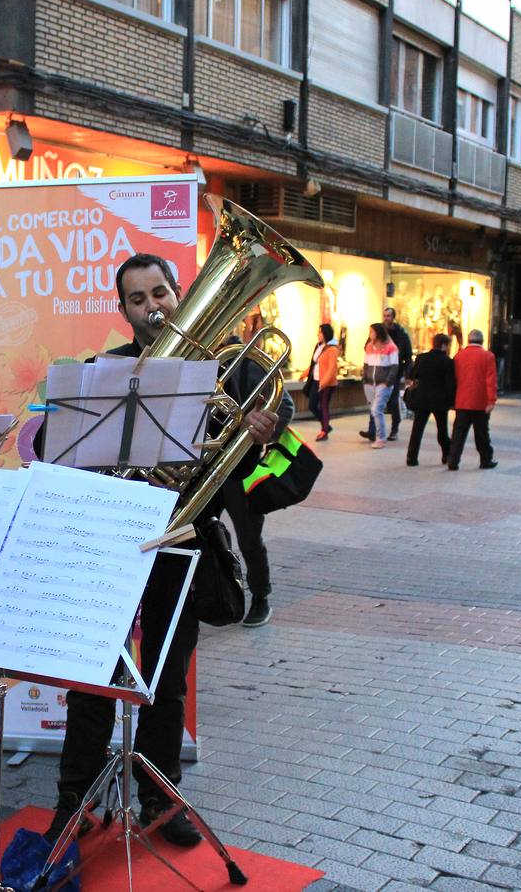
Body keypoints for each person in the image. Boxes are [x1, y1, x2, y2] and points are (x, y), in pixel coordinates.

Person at [46, 252, 282, 848]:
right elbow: (56, 444)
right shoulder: (104, 370)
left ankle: (161, 793)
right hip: (109, 540)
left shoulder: (216, 372)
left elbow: (253, 467)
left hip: (179, 539)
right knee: (94, 674)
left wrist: (256, 438)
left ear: (179, 295)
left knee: (168, 674)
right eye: (138, 298)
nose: (153, 307)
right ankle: (74, 797)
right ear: (122, 309)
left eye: (161, 294)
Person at [447, 329, 498, 470]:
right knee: (481, 433)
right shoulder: (488, 356)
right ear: (482, 341)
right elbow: (491, 380)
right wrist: (491, 400)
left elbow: (454, 379)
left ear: (468, 340)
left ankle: (453, 460)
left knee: (458, 433)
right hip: (480, 402)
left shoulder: (459, 356)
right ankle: (485, 459)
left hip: (462, 401)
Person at [404, 333, 455, 466]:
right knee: (442, 430)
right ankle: (446, 454)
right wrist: (452, 402)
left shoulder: (422, 358)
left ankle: (411, 457)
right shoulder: (448, 362)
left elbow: (413, 375)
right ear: (444, 345)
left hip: (422, 398)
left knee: (417, 429)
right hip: (440, 400)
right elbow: (450, 384)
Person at [362, 307, 413, 441]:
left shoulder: (401, 334)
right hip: (376, 373)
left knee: (392, 402)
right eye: (384, 316)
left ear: (393, 317)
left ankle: (394, 428)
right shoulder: (378, 332)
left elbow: (407, 356)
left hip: (392, 374)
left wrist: (408, 375)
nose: (386, 318)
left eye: (388, 316)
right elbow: (367, 348)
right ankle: (372, 430)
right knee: (375, 404)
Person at [361, 323, 397, 449]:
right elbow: (365, 365)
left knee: (377, 410)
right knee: (373, 409)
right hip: (370, 383)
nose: (370, 334)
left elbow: (394, 367)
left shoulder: (391, 348)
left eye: (372, 332)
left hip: (383, 383)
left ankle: (381, 437)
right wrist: (365, 379)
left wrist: (388, 382)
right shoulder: (369, 347)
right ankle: (378, 434)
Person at [305, 323, 339, 441]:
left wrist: (323, 383)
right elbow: (314, 363)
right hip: (315, 380)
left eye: (320, 332)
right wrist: (305, 373)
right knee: (312, 405)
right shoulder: (319, 346)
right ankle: (326, 425)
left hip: (326, 383)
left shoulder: (332, 349)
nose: (318, 335)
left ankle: (324, 431)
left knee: (324, 406)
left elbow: (332, 368)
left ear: (325, 334)